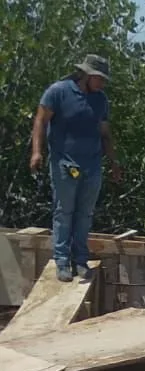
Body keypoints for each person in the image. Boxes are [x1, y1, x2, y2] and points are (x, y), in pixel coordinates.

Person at [30, 53, 123, 282]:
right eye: (99, 78)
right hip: (64, 162)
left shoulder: (101, 100)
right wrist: (37, 152)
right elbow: (41, 120)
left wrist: (113, 162)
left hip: (91, 164)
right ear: (86, 75)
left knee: (85, 213)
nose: (102, 83)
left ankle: (80, 260)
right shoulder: (59, 91)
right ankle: (62, 261)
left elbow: (105, 133)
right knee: (64, 212)